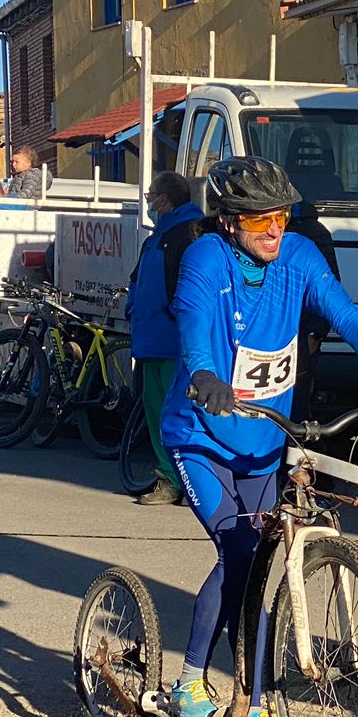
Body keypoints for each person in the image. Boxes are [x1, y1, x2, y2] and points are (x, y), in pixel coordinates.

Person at [161, 156, 358, 717]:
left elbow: (345, 314)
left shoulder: (300, 256)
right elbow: (194, 324)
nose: (275, 229)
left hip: (264, 440)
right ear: (229, 221)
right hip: (200, 435)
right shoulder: (206, 258)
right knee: (239, 549)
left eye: (281, 215)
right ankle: (190, 679)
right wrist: (203, 373)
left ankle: (255, 707)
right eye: (260, 219)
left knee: (261, 566)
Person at [126, 170, 204, 506]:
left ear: (165, 199)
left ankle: (186, 482)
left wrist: (172, 317)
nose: (149, 203)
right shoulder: (157, 237)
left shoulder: (189, 234)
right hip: (152, 339)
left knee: (181, 415)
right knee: (158, 412)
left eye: (151, 196)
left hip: (174, 341)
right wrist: (133, 308)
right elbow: (138, 278)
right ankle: (171, 478)